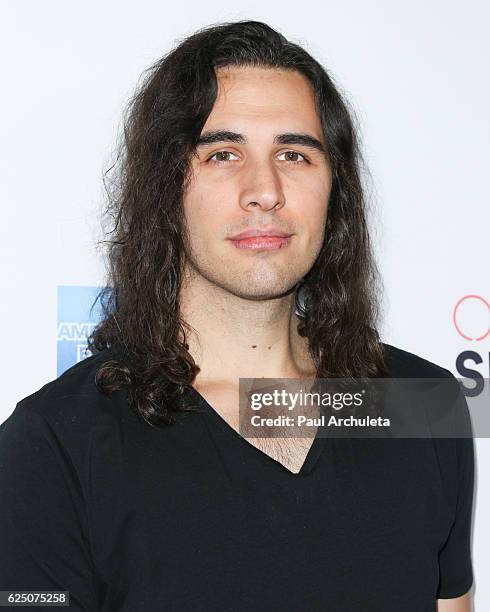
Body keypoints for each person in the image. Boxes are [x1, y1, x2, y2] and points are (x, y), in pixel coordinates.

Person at [0, 20, 474, 611]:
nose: (264, 189)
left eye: (294, 154)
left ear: (336, 192)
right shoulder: (57, 443)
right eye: (224, 153)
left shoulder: (420, 406)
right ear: (165, 188)